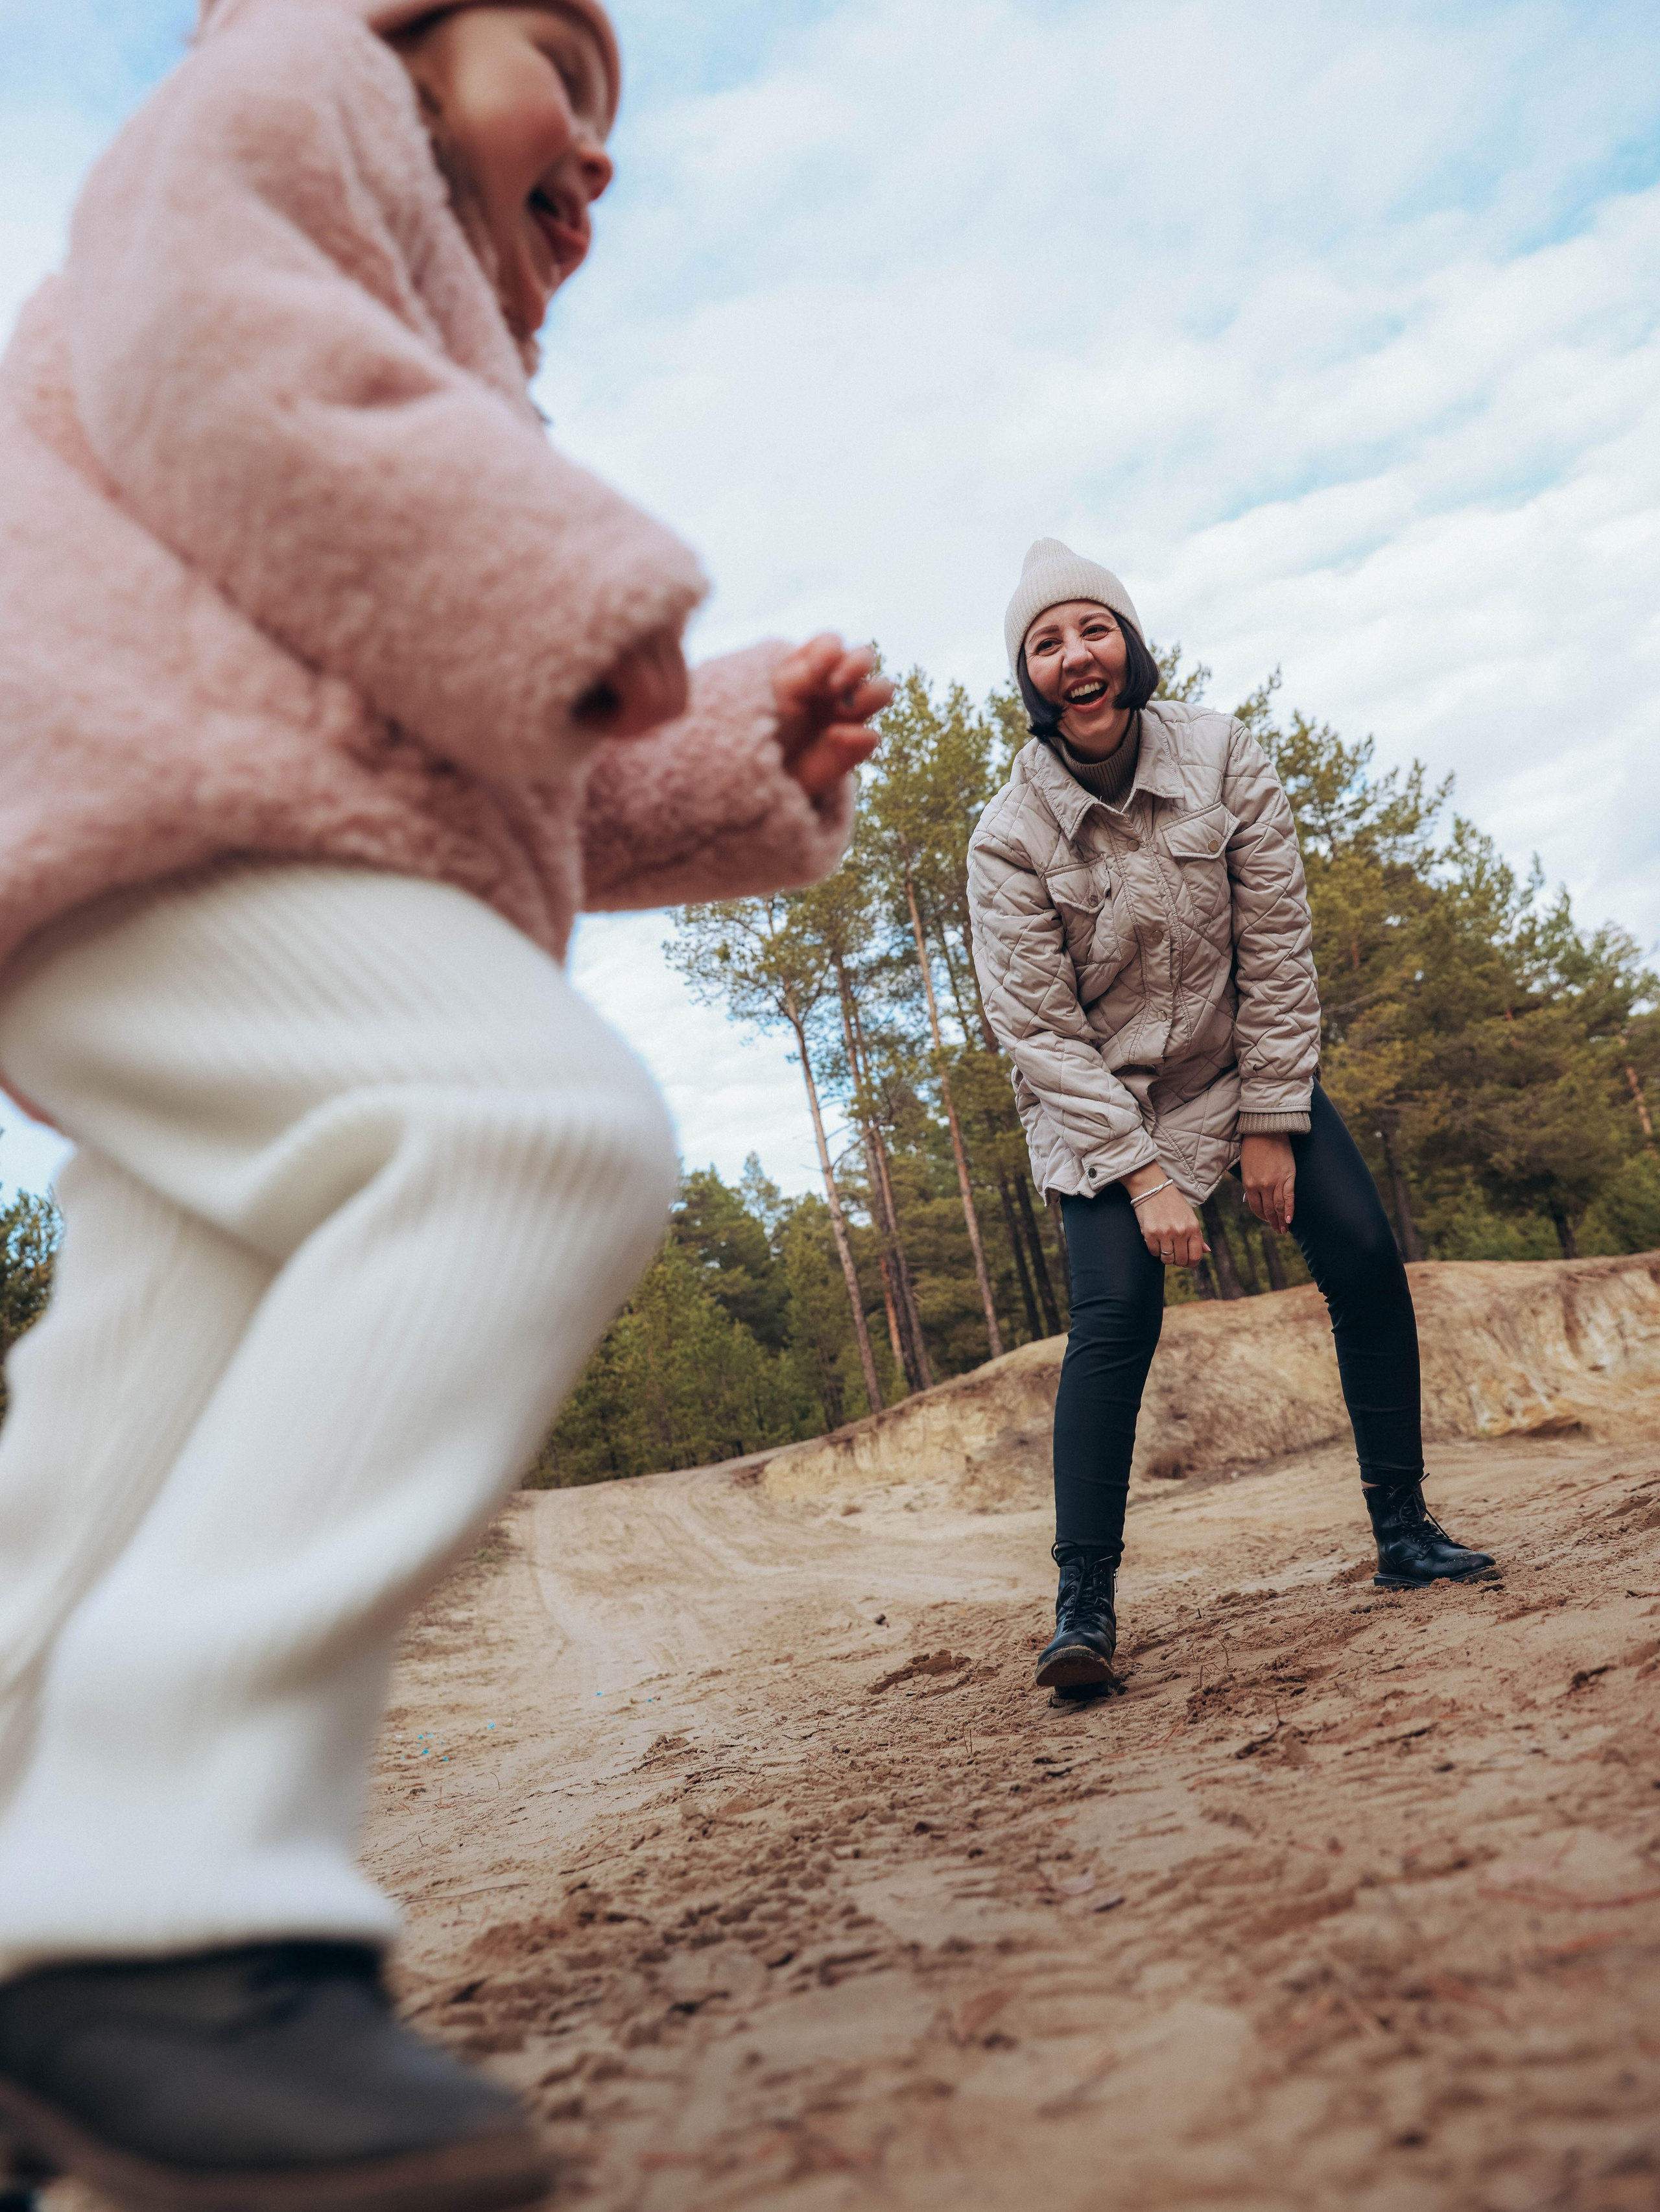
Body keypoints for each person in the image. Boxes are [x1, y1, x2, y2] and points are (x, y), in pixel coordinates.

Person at [0, 3, 889, 2205]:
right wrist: (568, 585)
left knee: (117, 1440)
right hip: (139, 817)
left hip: (173, 834)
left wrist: (723, 767)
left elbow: (477, 763)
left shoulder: (418, 336)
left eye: (614, 121)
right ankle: (159, 1911)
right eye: (558, 73)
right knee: (524, 1131)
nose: (595, 149)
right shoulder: (277, 103)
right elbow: (232, 366)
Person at [967, 540, 1496, 1695]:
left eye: (1093, 630)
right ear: (1030, 678)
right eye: (1046, 644)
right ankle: (1084, 1609)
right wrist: (1145, 1180)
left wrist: (1271, 1115)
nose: (1076, 657)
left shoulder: (1221, 753)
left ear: (1131, 642)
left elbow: (1277, 943)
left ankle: (1404, 1534)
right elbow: (1040, 1034)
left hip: (1235, 1056)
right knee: (1116, 1318)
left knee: (1361, 1253)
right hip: (1099, 1105)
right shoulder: (1006, 838)